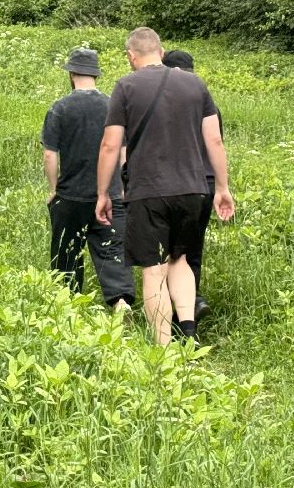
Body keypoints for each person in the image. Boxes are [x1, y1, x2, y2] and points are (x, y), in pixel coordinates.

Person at [96, 28, 234, 345]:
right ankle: (188, 332)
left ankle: (163, 346)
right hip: (194, 189)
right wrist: (222, 188)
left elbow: (110, 145)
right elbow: (214, 139)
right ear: (161, 50)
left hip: (148, 191)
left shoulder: (126, 86)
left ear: (131, 55)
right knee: (181, 259)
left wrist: (104, 193)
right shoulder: (195, 83)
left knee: (154, 269)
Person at [42, 47, 133, 311]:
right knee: (112, 250)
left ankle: (67, 304)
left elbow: (50, 155)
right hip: (113, 193)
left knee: (67, 252)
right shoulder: (112, 106)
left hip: (71, 194)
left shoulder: (60, 108)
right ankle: (120, 301)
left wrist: (53, 189)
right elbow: (124, 152)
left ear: (71, 74)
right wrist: (123, 187)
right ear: (96, 75)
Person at [161, 48, 216, 322]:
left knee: (170, 253)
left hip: (176, 183)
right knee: (192, 247)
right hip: (206, 183)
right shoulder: (205, 99)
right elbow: (216, 144)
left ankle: (175, 313)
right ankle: (193, 301)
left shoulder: (166, 100)